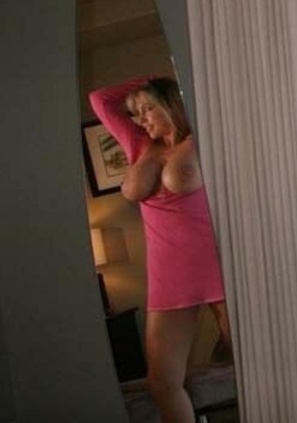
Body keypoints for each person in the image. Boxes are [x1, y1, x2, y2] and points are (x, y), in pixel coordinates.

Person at [90, 76, 231, 423]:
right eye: (136, 112)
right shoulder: (138, 144)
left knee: (259, 365)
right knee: (162, 382)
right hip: (168, 275)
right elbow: (100, 99)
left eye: (148, 108)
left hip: (218, 266)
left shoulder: (203, 137)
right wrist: (148, 81)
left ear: (170, 105)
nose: (141, 119)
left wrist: (165, 84)